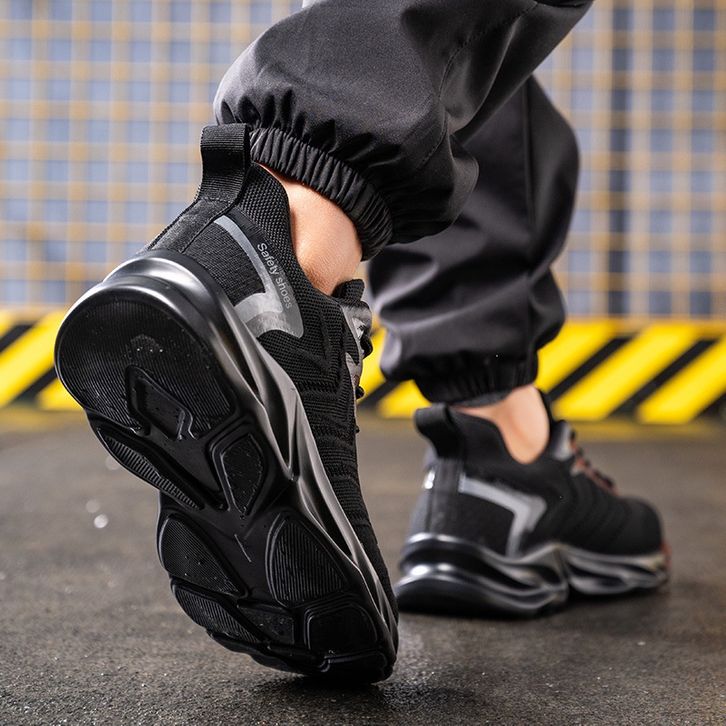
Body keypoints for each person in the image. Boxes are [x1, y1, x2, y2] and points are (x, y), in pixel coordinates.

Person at [55, 0, 668, 683]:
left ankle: (498, 444)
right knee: (458, 50)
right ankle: (287, 247)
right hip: (288, 225)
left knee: (479, 73)